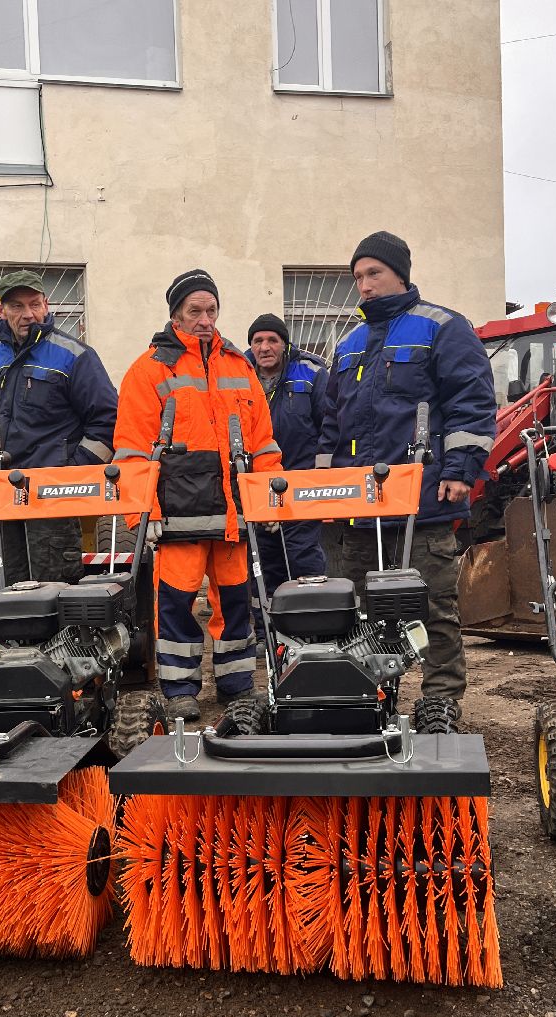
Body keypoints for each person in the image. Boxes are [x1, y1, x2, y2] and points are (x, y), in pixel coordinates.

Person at [316, 232, 496, 732]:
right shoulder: (349, 344)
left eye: (373, 273)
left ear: (400, 274)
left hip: (424, 502)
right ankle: (365, 696)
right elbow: (332, 422)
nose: (364, 285)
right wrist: (326, 488)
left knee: (433, 607)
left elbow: (471, 401)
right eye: (358, 277)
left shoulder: (443, 327)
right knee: (355, 612)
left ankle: (439, 701)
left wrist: (460, 470)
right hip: (360, 509)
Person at [113, 269, 282, 721]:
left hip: (233, 515)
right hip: (178, 517)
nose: (206, 320)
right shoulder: (149, 370)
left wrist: (268, 501)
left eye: (212, 310)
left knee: (236, 602)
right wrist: (142, 514)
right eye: (195, 311)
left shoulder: (240, 366)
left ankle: (237, 685)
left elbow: (264, 444)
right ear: (176, 316)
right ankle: (180, 690)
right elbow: (131, 450)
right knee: (176, 604)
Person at [0, 270, 118, 587]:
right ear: (1, 311)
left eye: (34, 304)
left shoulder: (74, 356)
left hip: (53, 502)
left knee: (54, 595)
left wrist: (70, 477)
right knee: (8, 596)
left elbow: (107, 422)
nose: (27, 314)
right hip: (2, 499)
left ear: (46, 305)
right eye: (17, 306)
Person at [245, 314, 328, 645]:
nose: (265, 347)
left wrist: (321, 477)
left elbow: (329, 426)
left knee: (302, 556)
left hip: (301, 485)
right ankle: (268, 635)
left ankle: (312, 630)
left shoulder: (311, 373)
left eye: (272, 340)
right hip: (256, 488)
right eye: (258, 341)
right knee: (263, 563)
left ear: (285, 344)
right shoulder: (239, 374)